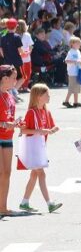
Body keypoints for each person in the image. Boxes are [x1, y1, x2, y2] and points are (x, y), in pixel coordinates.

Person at [18, 84, 63, 213]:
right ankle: (50, 204)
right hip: (33, 147)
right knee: (41, 173)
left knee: (34, 175)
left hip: (41, 146)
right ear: (38, 96)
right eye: (47, 94)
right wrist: (39, 131)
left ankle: (24, 202)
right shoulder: (31, 112)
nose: (49, 96)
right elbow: (24, 130)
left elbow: (53, 126)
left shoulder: (46, 111)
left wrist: (53, 129)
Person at [0, 66, 20, 216]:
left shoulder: (9, 95)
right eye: (14, 77)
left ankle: (3, 207)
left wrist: (17, 123)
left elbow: (9, 117)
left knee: (7, 172)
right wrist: (5, 124)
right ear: (5, 79)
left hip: (8, 136)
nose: (16, 80)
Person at [0, 19, 25, 98]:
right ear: (15, 27)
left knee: (10, 77)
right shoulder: (17, 37)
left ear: (7, 27)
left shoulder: (3, 37)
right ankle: (14, 90)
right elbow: (20, 50)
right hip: (17, 61)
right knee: (22, 77)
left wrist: (5, 56)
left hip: (7, 62)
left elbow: (1, 49)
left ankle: (11, 91)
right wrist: (24, 53)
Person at [63, 36, 81, 108]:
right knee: (72, 87)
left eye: (79, 43)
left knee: (77, 87)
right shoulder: (70, 52)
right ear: (72, 44)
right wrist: (75, 61)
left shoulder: (78, 51)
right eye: (78, 43)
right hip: (72, 72)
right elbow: (66, 61)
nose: (79, 45)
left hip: (77, 71)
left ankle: (76, 102)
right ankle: (66, 101)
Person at [17, 20, 33, 93]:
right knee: (27, 72)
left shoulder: (14, 35)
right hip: (26, 57)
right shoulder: (27, 35)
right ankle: (25, 87)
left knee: (19, 73)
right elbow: (31, 46)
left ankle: (18, 87)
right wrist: (28, 53)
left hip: (18, 57)